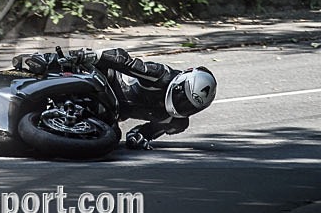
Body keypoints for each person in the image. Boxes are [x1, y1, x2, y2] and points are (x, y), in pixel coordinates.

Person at [14, 48, 217, 149]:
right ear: (180, 82)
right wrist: (90, 56)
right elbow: (124, 60)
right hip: (110, 81)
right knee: (74, 62)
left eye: (190, 107)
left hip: (114, 111)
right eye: (183, 98)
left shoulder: (176, 122)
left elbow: (147, 132)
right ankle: (43, 59)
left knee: (111, 136)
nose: (182, 106)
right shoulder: (160, 75)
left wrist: (140, 138)